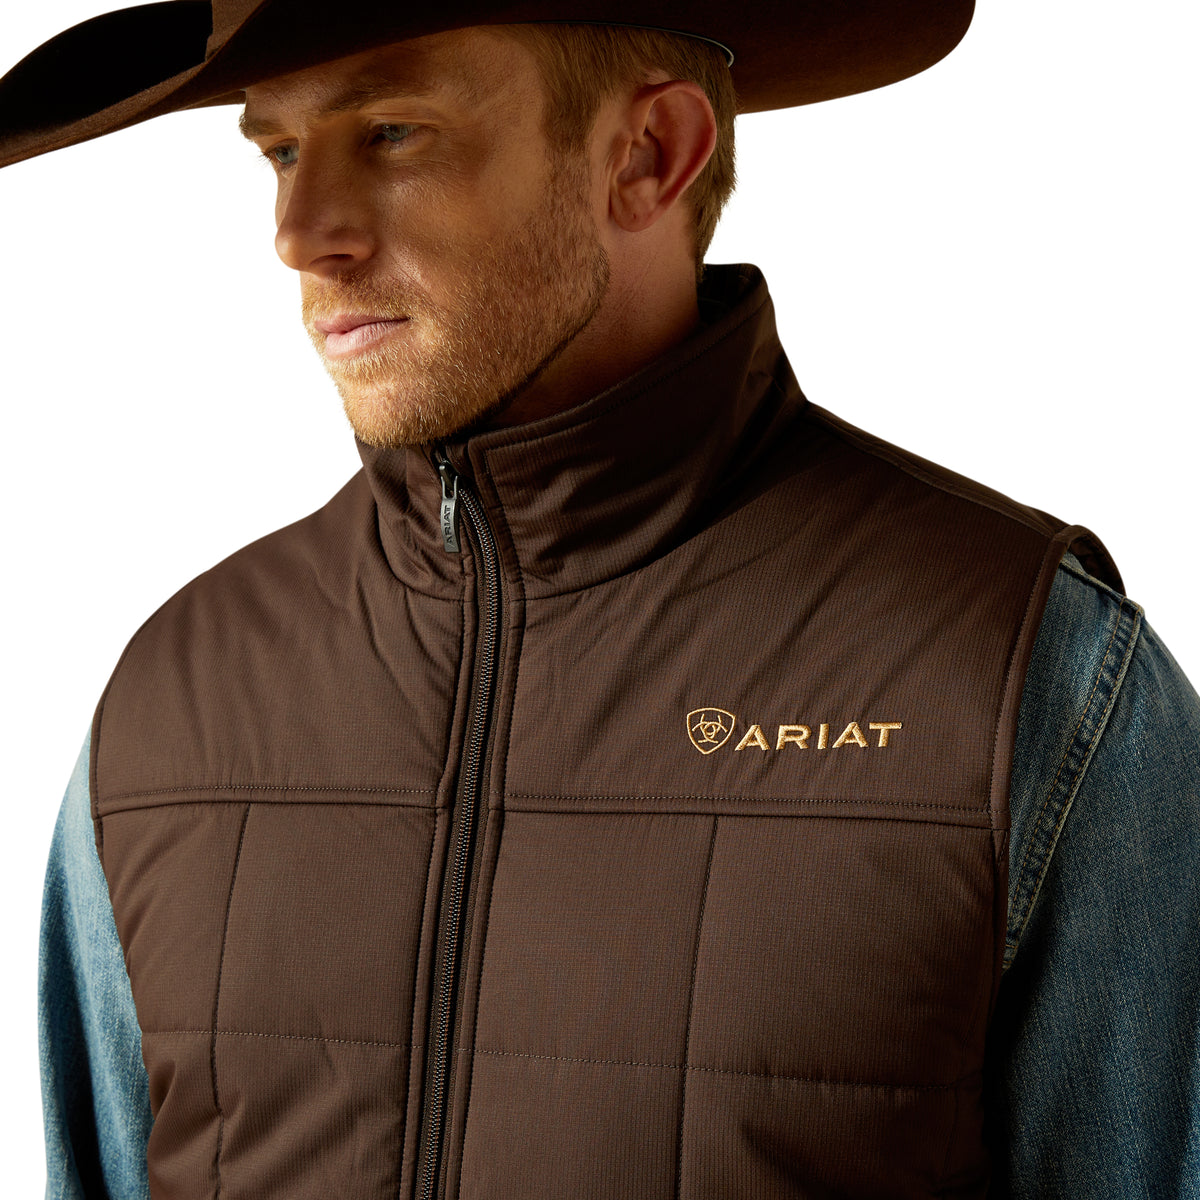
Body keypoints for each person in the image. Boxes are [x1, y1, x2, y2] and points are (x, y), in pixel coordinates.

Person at [4, 2, 1197, 1198]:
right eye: (278, 151)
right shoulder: (173, 707)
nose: (301, 234)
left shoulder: (1019, 673)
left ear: (648, 157)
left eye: (392, 133)